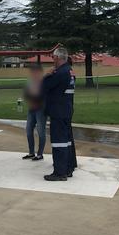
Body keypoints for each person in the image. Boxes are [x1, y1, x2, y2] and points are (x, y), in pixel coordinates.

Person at [41, 47, 74, 181]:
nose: (52, 60)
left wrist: (46, 76)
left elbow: (44, 87)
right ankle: (67, 168)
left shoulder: (60, 73)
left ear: (59, 58)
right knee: (66, 142)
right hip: (66, 110)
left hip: (58, 112)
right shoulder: (69, 71)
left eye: (53, 57)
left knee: (59, 142)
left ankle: (59, 173)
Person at [22, 64, 46, 161]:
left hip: (41, 110)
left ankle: (40, 154)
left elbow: (45, 96)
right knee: (28, 130)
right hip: (31, 109)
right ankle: (31, 152)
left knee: (41, 131)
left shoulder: (44, 82)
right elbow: (26, 94)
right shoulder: (30, 82)